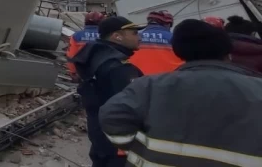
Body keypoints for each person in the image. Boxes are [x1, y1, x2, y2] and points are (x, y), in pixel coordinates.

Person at [99, 19, 262, 166]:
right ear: (228, 53)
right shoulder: (256, 87)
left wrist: (137, 148)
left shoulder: (148, 85)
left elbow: (111, 115)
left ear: (179, 51)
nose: (139, 37)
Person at [70, 16, 145, 167]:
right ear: (117, 36)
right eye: (134, 33)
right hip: (118, 142)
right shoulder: (119, 67)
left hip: (100, 133)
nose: (140, 37)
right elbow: (131, 106)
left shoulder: (98, 56)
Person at [129, 10, 183, 75]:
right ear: (168, 24)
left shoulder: (134, 38)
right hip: (171, 80)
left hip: (141, 81)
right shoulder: (175, 38)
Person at [66, 11, 104, 78]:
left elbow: (71, 55)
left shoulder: (76, 36)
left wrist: (73, 72)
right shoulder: (106, 35)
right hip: (103, 72)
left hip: (83, 73)